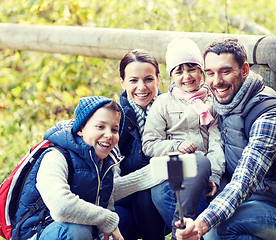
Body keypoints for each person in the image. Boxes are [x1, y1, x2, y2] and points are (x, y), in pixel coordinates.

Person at [175, 38, 276, 240]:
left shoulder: (271, 118)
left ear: (245, 70)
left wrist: (201, 224)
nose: (216, 81)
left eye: (225, 71)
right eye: (210, 73)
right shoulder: (222, 103)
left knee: (214, 231)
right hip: (249, 202)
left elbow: (243, 181)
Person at [142, 38, 225, 240]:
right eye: (179, 72)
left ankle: (185, 232)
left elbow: (216, 141)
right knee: (161, 194)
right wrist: (176, 146)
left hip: (205, 169)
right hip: (174, 167)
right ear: (171, 76)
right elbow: (150, 143)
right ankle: (187, 231)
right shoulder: (162, 103)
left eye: (192, 69)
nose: (187, 76)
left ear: (201, 71)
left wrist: (214, 175)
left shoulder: (212, 100)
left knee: (204, 173)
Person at [14, 96, 125, 240]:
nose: (109, 135)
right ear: (80, 129)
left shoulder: (106, 163)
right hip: (39, 231)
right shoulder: (56, 156)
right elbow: (61, 207)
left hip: (81, 231)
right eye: (100, 127)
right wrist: (107, 220)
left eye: (114, 129)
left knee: (122, 221)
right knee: (77, 230)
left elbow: (105, 209)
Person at [114, 49, 166, 239]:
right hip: (127, 193)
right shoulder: (116, 116)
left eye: (148, 79)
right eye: (133, 80)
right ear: (122, 82)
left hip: (164, 186)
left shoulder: (172, 108)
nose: (142, 87)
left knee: (149, 195)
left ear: (158, 80)